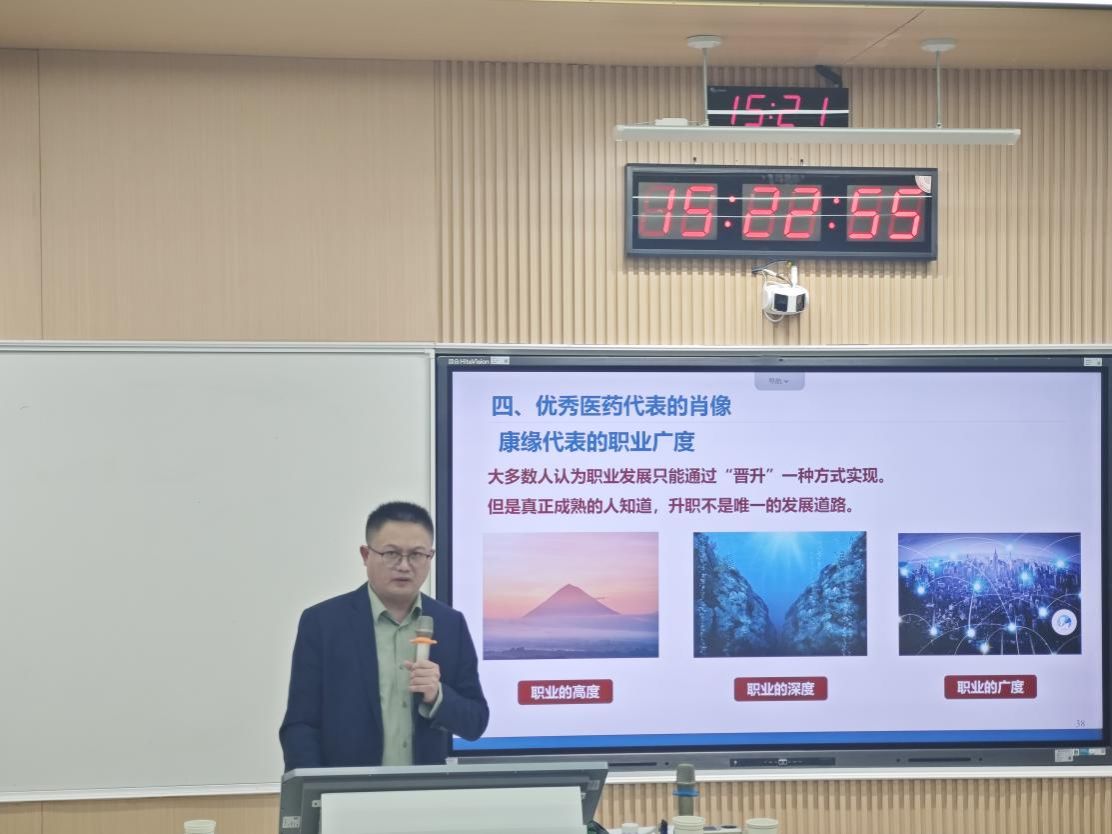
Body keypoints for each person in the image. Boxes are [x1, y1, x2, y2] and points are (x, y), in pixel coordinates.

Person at [279, 501, 488, 770]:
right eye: (391, 553)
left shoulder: (450, 624)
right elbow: (301, 725)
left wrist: (437, 695)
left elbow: (475, 722)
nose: (404, 566)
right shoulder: (323, 623)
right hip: (346, 789)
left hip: (426, 790)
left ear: (430, 557)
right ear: (366, 555)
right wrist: (316, 789)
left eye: (416, 555)